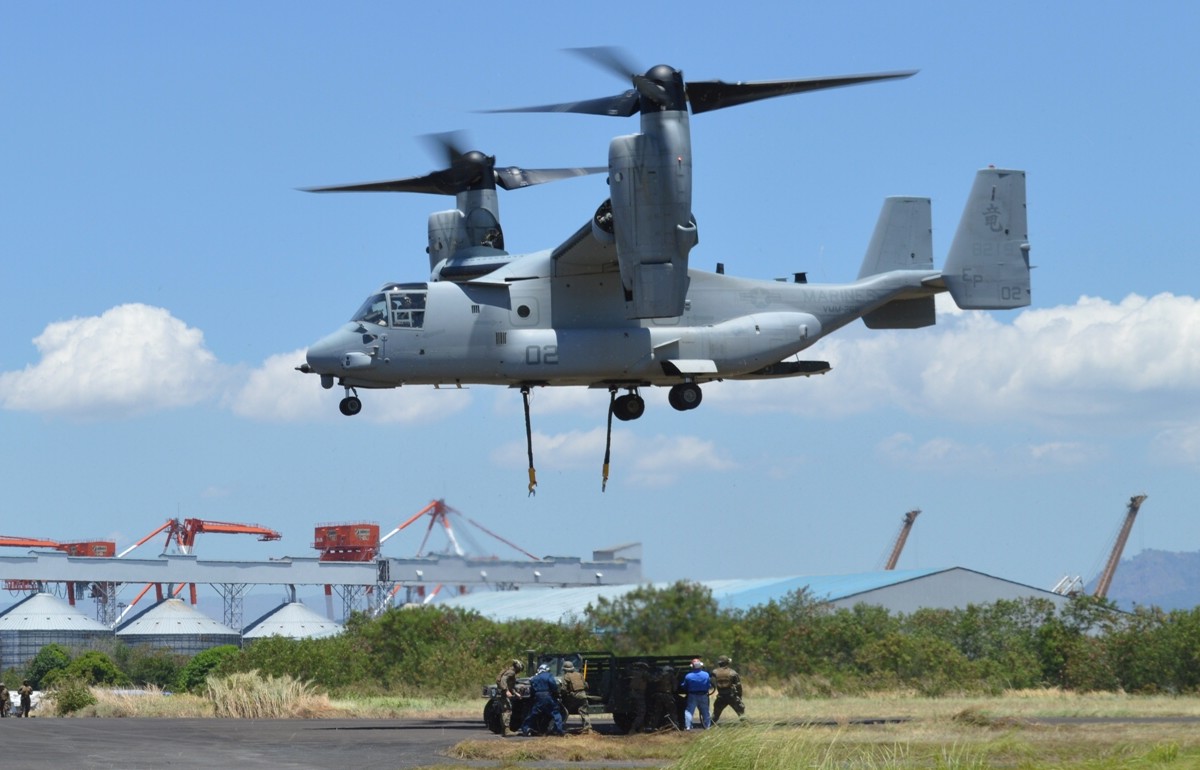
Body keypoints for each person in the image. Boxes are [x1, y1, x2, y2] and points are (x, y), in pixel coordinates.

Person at [519, 664, 564, 736]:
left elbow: (532, 689)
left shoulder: (534, 678)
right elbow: (553, 685)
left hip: (538, 697)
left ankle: (525, 728)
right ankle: (559, 730)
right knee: (555, 712)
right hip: (548, 696)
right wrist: (556, 693)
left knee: (533, 713)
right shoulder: (549, 676)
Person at [711, 655, 746, 724]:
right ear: (727, 663)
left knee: (715, 715)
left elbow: (711, 682)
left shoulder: (714, 672)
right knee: (741, 714)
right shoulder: (733, 673)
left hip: (721, 696)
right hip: (731, 696)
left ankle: (708, 726)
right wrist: (739, 696)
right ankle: (747, 727)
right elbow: (738, 686)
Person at [559, 661, 591, 732]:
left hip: (573, 696)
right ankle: (588, 726)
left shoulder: (565, 676)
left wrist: (563, 694)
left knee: (562, 709)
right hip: (583, 695)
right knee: (584, 711)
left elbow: (563, 689)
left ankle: (559, 726)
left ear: (565, 669)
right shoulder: (580, 674)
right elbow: (586, 685)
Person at [680, 659, 711, 730]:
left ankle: (688, 726)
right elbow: (709, 685)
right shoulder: (706, 675)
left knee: (689, 711)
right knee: (705, 711)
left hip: (692, 696)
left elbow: (684, 686)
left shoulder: (688, 676)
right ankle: (707, 726)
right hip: (703, 695)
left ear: (692, 666)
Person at [648, 664, 679, 731]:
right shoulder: (671, 676)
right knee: (672, 711)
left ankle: (653, 727)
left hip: (658, 695)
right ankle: (675, 726)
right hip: (667, 695)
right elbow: (674, 688)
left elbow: (653, 681)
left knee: (657, 712)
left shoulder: (659, 675)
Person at [624, 661, 649, 734]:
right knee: (641, 712)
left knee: (637, 712)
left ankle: (640, 728)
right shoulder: (644, 674)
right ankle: (633, 729)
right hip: (639, 694)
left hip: (632, 693)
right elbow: (653, 678)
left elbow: (627, 670)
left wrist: (632, 664)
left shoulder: (634, 672)